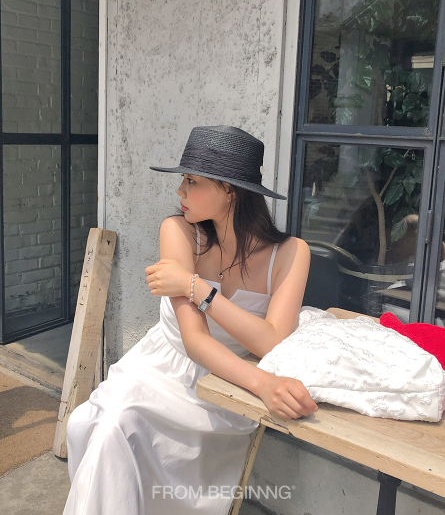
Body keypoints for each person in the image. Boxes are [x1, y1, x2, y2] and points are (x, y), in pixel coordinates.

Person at [63, 125, 316, 515]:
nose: (180, 191)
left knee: (119, 435)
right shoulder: (179, 231)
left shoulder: (291, 253)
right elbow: (194, 340)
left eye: (191, 181)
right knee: (100, 425)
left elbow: (271, 341)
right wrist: (263, 382)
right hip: (160, 368)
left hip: (224, 386)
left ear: (229, 190)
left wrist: (195, 287)